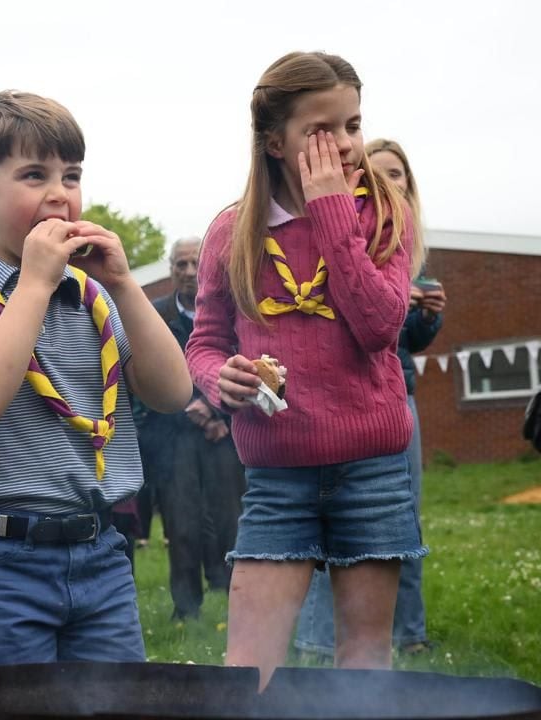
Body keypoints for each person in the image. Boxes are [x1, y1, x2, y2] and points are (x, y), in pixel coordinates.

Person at [0, 90, 192, 668]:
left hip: (101, 552)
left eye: (71, 175)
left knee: (117, 708)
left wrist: (123, 284)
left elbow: (172, 392)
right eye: (34, 174)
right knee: (14, 706)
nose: (60, 193)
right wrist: (35, 283)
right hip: (3, 558)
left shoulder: (93, 300)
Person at [184, 51, 425, 689]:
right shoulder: (231, 233)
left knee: (364, 665)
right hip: (275, 475)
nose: (347, 145)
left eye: (353, 124)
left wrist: (330, 210)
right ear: (273, 141)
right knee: (248, 671)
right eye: (325, 130)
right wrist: (219, 378)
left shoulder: (382, 215)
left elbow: (379, 326)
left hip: (371, 467)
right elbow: (204, 343)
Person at [295, 138, 444, 658]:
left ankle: (409, 633)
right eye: (378, 172)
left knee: (402, 519)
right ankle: (317, 639)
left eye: (399, 174)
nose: (389, 182)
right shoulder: (340, 234)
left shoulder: (408, 249)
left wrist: (425, 317)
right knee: (325, 517)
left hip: (397, 394)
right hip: (340, 395)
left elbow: (405, 341)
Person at [143, 237, 247, 621]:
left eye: (194, 264)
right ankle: (185, 608)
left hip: (223, 434)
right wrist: (186, 405)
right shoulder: (156, 315)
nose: (188, 272)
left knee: (231, 520)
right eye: (180, 265)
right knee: (181, 523)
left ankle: (241, 603)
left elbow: (247, 363)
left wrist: (218, 411)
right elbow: (145, 372)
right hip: (174, 439)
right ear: (171, 269)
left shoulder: (230, 310)